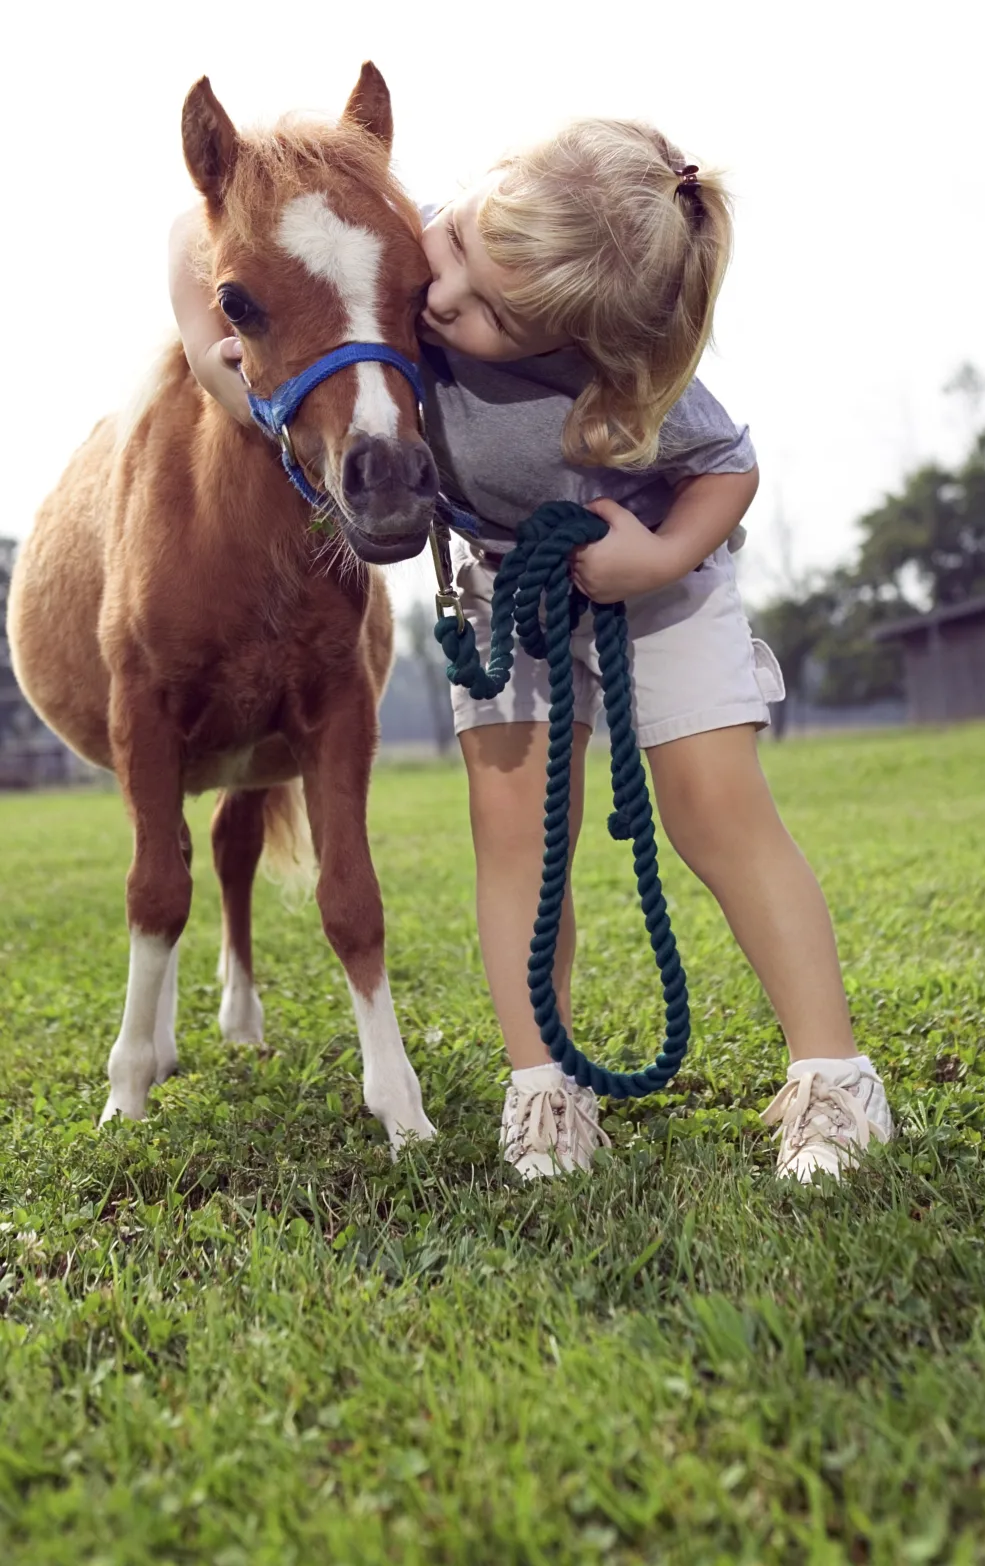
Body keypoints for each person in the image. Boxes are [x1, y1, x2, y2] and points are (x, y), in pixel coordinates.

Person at [170, 117, 892, 1183]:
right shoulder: (403, 272)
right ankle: (544, 1089)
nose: (447, 296)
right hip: (499, 591)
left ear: (571, 336)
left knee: (720, 817)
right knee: (514, 841)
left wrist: (656, 559)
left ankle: (835, 1079)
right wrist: (215, 334)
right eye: (454, 245)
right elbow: (208, 233)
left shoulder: (615, 367)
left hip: (655, 586)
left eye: (496, 313)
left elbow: (728, 469)